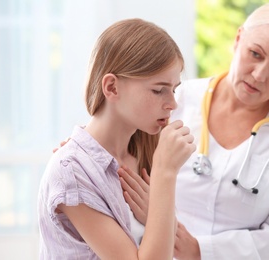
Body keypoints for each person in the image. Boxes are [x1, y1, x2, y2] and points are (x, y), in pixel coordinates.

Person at [119, 1, 269, 259]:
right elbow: (116, 149)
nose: (259, 75)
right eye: (255, 54)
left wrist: (201, 251)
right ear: (238, 39)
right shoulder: (176, 98)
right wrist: (86, 149)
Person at [37, 18, 196, 259]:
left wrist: (156, 211)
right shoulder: (72, 172)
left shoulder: (146, 149)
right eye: (158, 90)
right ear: (111, 87)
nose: (172, 103)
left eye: (173, 89)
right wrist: (165, 173)